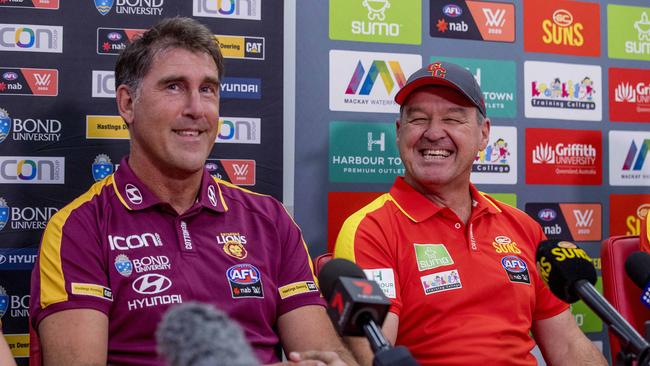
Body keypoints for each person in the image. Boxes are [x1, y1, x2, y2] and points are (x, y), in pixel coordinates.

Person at [30, 17, 355, 366]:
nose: (196, 109)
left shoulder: (270, 219)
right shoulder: (80, 229)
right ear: (127, 104)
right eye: (174, 87)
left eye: (208, 90)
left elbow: (327, 355)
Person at [334, 61, 608, 366]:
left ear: (483, 135)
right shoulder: (371, 229)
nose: (434, 132)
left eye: (453, 119)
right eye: (419, 119)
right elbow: (374, 355)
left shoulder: (523, 228)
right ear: (399, 133)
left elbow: (568, 345)